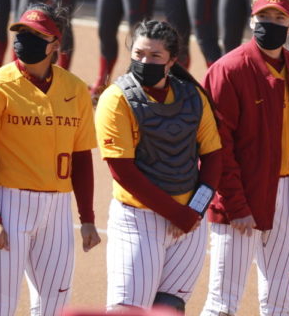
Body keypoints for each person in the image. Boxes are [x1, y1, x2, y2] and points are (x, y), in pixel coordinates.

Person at [200, 0, 289, 316]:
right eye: (263, 16)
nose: (270, 23)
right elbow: (216, 148)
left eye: (279, 17)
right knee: (222, 305)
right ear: (251, 19)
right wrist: (236, 205)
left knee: (280, 304)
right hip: (239, 199)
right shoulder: (228, 70)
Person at [0, 2, 100, 316]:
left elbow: (81, 158)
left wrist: (87, 219)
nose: (23, 40)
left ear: (55, 44)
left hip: (57, 210)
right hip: (9, 205)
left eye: (35, 34)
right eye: (22, 32)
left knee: (54, 308)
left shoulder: (74, 89)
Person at [95, 20, 223, 312]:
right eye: (139, 54)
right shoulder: (115, 99)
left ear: (172, 61)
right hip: (138, 220)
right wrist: (177, 213)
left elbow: (214, 156)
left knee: (169, 308)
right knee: (129, 310)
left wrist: (195, 210)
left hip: (189, 222)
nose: (144, 62)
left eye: (155, 56)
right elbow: (122, 171)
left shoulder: (192, 96)